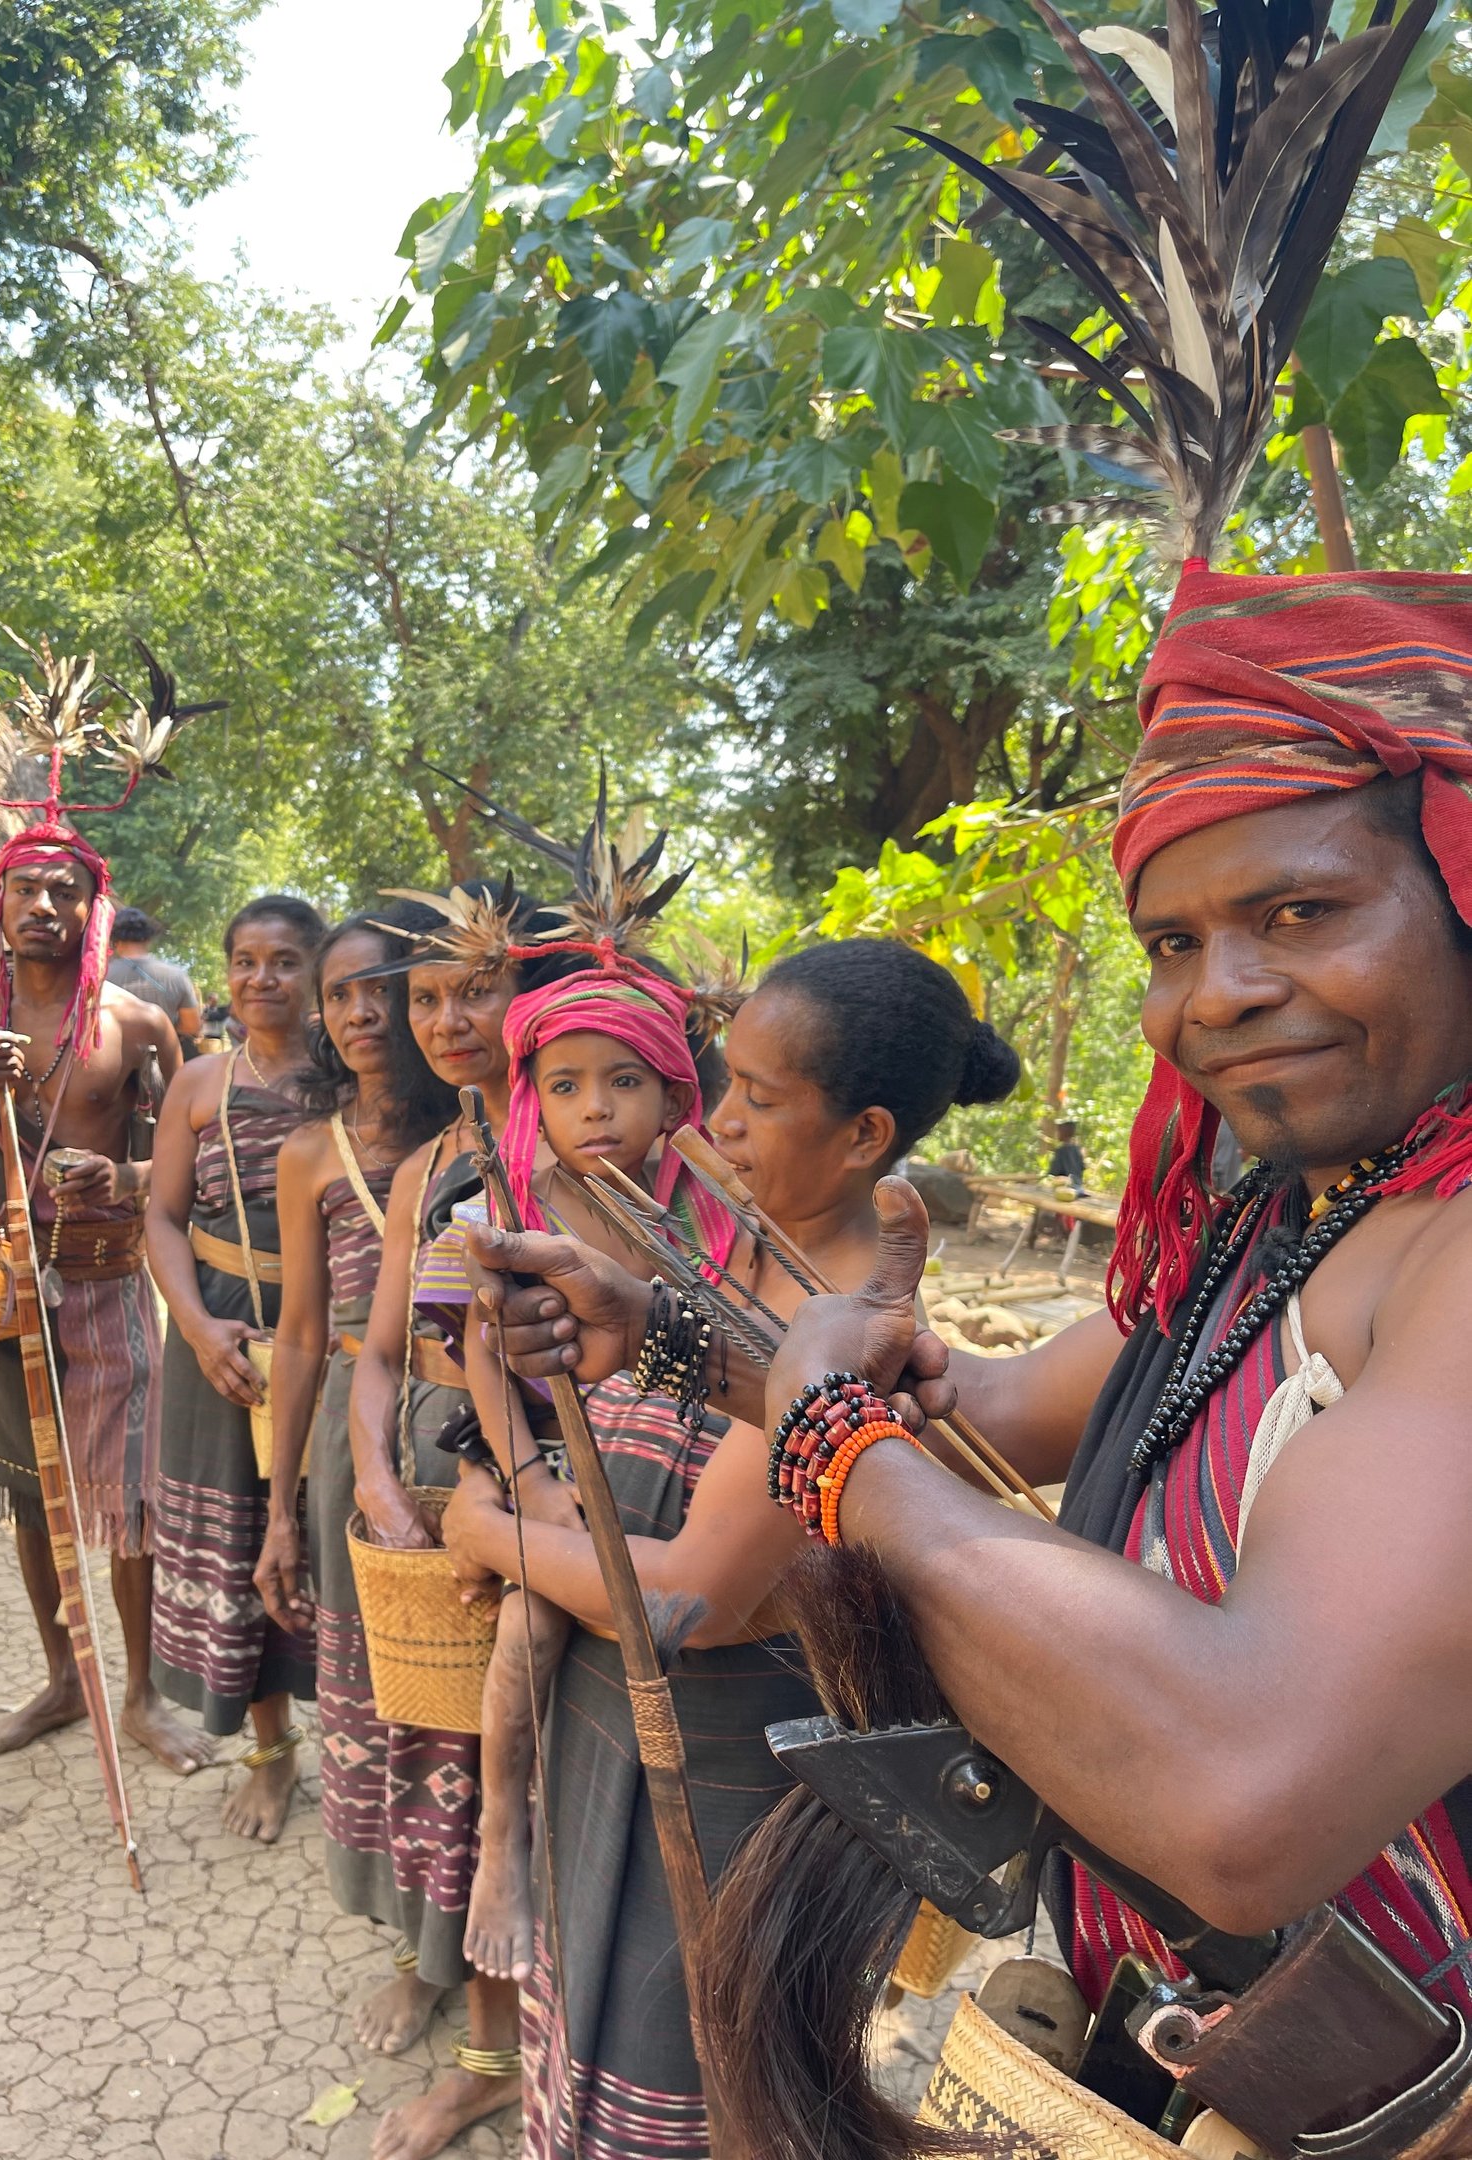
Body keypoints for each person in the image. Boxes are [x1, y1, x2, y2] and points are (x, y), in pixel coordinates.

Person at [473, 573, 1472, 2151]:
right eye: (1173, 940)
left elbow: (1243, 1794)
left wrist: (836, 1457)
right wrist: (663, 1336)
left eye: (1301, 913)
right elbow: (988, 1416)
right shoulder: (1278, 1224)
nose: (1217, 993)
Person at [440, 940, 1019, 2160]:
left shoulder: (848, 1323)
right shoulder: (712, 1255)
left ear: (864, 1136)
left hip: (721, 1777)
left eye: (758, 1099)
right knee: (589, 2024)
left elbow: (693, 1600)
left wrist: (487, 1528)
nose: (724, 1121)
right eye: (727, 1085)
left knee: (692, 2074)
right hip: (612, 1735)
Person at [455, 952, 740, 1992]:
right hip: (542, 1452)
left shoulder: (707, 1207)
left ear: (675, 1091)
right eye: (566, 1086)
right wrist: (529, 1482)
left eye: (624, 1081)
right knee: (532, 1630)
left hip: (670, 1455)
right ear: (535, 1097)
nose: (596, 1108)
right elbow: (475, 1352)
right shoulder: (513, 1201)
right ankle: (499, 1837)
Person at [0, 821, 207, 1771]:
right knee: (34, 1492)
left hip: (107, 1281)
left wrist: (121, 1175)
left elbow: (180, 1166)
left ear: (93, 908)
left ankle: (143, 1694)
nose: (45, 907)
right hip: (3, 1289)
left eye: (64, 891)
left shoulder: (137, 1023)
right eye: (26, 889)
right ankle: (62, 1679)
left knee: (126, 1500)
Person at [344, 878, 548, 2160]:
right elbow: (378, 1352)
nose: (447, 1017)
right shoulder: (427, 1164)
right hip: (424, 1477)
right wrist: (373, 1475)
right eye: (424, 995)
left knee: (509, 1775)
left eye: (477, 987)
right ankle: (479, 2030)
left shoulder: (580, 1137)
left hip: (534, 1495)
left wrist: (519, 1486)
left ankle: (497, 2058)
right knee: (442, 1762)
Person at [252, 912, 453, 1921]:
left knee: (463, 1679)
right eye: (340, 993)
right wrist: (283, 1507)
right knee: (368, 1677)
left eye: (387, 987)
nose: (363, 1011)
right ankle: (400, 1918)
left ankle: (469, 1924)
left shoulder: (476, 1131)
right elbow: (297, 1335)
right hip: (349, 1422)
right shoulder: (310, 1153)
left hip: (472, 1424)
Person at [145, 893, 326, 1840]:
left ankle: (366, 1750)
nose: (263, 979)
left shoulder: (354, 1084)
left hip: (322, 1348)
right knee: (236, 1544)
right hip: (214, 1351)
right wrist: (198, 1326)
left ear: (319, 973)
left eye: (285, 961)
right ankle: (273, 1752)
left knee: (318, 1539)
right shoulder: (200, 1083)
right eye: (246, 961)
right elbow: (162, 1219)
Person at [106, 906, 203, 1057]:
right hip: (165, 1063)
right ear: (148, 938)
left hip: (115, 1062)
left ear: (114, 940)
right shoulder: (177, 976)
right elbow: (192, 1026)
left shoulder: (101, 977)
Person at [1046, 1116, 1086, 1196]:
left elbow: (1054, 1171)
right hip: (1078, 1188)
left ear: (1063, 1133)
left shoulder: (1060, 1151)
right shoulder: (1078, 1149)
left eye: (1058, 1131)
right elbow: (1082, 1167)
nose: (1057, 1134)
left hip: (1065, 1188)